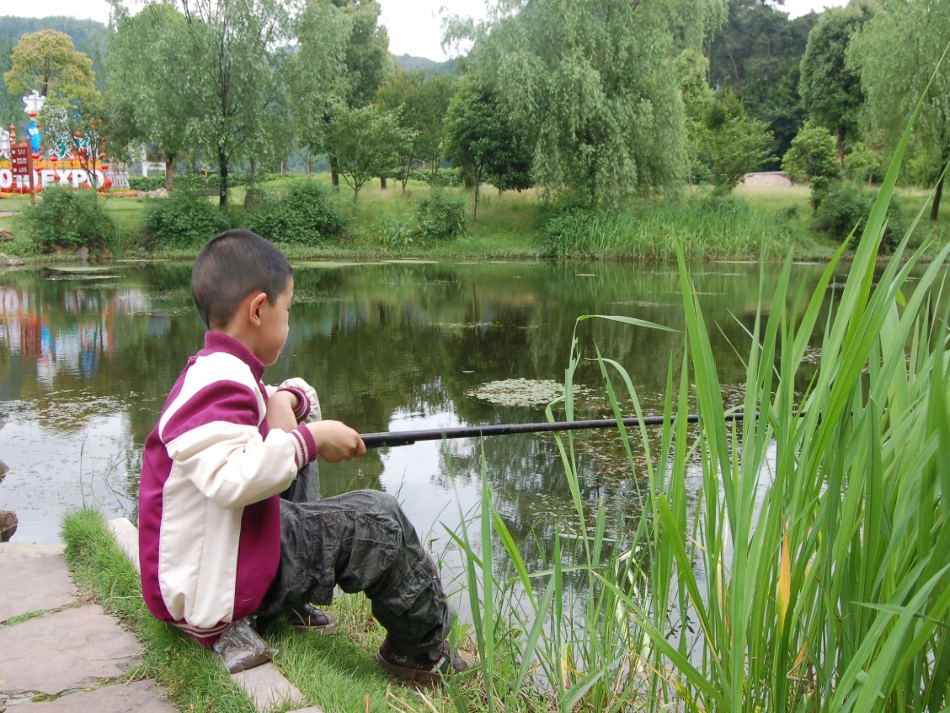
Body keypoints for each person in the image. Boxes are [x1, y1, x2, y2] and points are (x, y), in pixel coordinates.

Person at [137, 229, 467, 681]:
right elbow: (230, 478)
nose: (288, 324)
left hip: (223, 558)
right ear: (258, 310)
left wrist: (288, 402)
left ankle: (290, 601)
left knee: (292, 446)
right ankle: (419, 652)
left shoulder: (220, 372)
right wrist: (309, 440)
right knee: (379, 521)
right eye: (287, 311)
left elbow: (272, 408)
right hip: (211, 591)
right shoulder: (218, 387)